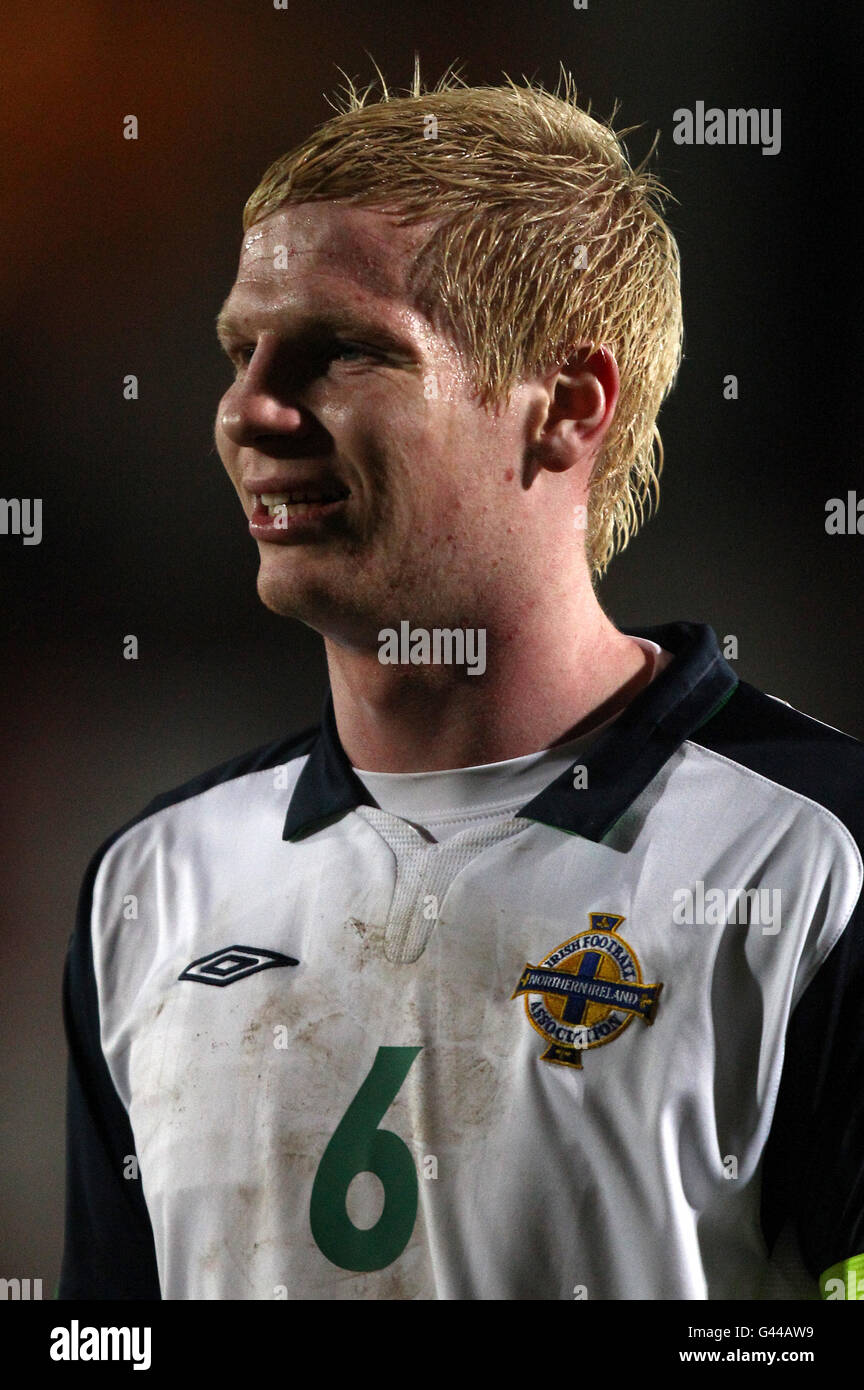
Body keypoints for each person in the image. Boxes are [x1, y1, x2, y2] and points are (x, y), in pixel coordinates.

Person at [59, 70, 864, 1301]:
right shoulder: (150, 885)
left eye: (340, 353)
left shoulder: (815, 864)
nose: (248, 409)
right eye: (240, 350)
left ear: (566, 407)